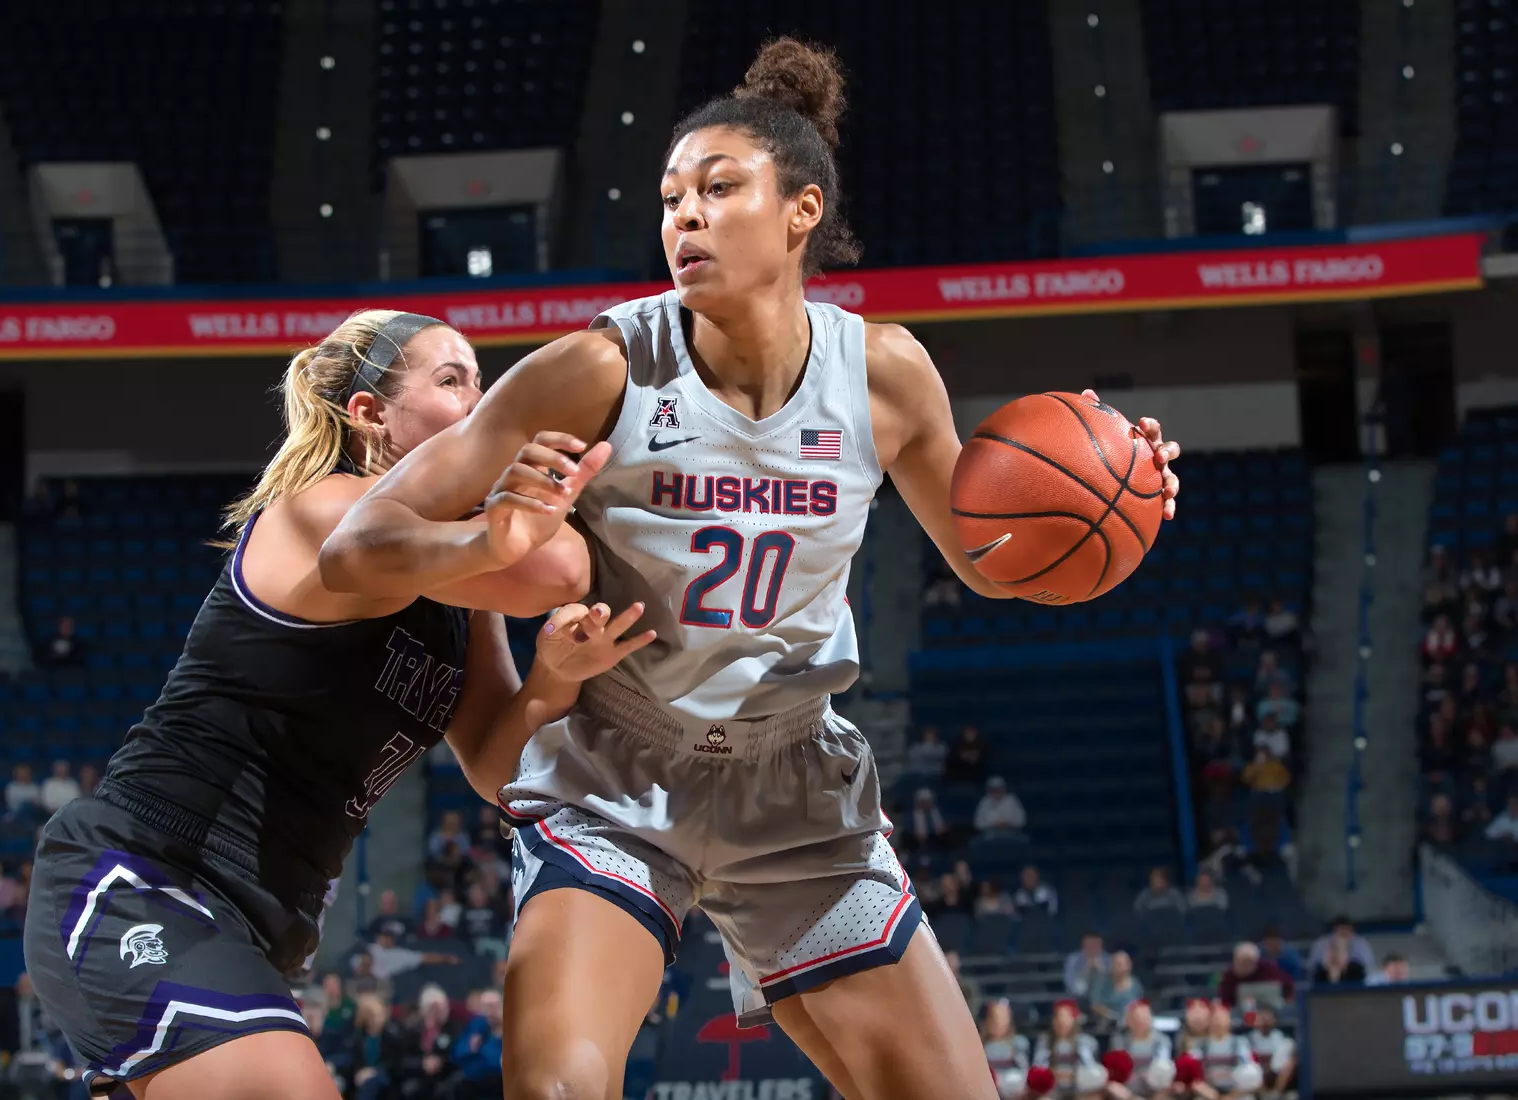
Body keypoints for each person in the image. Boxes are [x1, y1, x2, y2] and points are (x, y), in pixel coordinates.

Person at [319, 37, 1181, 1100]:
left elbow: (994, 566)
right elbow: (356, 542)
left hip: (796, 784)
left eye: (719, 188)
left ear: (801, 210)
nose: (685, 215)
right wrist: (485, 541)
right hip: (620, 768)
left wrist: (1116, 505)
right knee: (555, 1088)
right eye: (672, 197)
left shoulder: (885, 374)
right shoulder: (597, 368)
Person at [20, 310, 655, 1100]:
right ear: (370, 414)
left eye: (483, 383)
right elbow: (556, 569)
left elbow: (497, 769)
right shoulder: (320, 511)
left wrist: (553, 678)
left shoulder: (462, 594)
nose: (482, 404)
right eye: (452, 381)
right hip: (150, 875)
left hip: (264, 922)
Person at [1032, 999, 1105, 1097]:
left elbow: (1091, 1070)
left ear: (1074, 1020)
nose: (1062, 1022)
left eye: (1066, 1018)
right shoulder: (1044, 1041)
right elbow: (1038, 1067)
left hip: (1081, 1089)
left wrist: (1074, 1075)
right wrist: (1054, 1074)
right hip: (1052, 1090)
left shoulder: (1087, 1042)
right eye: (1058, 1017)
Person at [345, 994, 405, 1100]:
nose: (376, 1019)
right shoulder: (359, 1037)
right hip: (362, 1078)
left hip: (386, 1077)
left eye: (379, 1015)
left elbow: (395, 1064)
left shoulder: (392, 1036)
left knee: (371, 1082)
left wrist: (373, 1071)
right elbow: (354, 1061)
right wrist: (359, 1073)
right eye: (371, 1016)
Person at [450, 989, 504, 1099]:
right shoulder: (477, 1026)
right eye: (485, 1007)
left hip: (499, 1086)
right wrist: (470, 1048)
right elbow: (456, 1054)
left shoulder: (512, 1031)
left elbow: (495, 1063)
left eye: (493, 1006)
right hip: (474, 1086)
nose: (490, 1012)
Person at [978, 999, 1029, 1098]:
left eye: (1002, 1018)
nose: (998, 1022)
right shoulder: (978, 1045)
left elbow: (1024, 1075)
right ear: (986, 1020)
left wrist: (1002, 1082)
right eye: (994, 1017)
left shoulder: (1018, 1043)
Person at [1217, 942, 1293, 1007]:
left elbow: (1288, 985)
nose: (1243, 967)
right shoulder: (1229, 975)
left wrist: (1287, 1000)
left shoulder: (1269, 969)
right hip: (1240, 1013)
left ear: (1255, 962)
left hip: (1270, 1011)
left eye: (1247, 963)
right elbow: (1225, 1001)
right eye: (1240, 963)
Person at [1089, 951, 1144, 1026]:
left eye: (1120, 965)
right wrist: (1113, 1016)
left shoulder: (1136, 985)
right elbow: (1095, 1005)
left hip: (1129, 1023)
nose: (1116, 968)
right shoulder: (1101, 983)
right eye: (1114, 964)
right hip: (1105, 1023)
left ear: (1129, 966)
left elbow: (1139, 1006)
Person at [1063, 932, 1108, 1000]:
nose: (1092, 947)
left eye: (1095, 944)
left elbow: (1112, 982)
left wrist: (1100, 969)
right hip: (1078, 997)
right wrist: (1085, 969)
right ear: (1083, 945)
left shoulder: (1107, 958)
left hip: (1103, 997)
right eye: (1090, 944)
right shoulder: (1073, 959)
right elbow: (1069, 981)